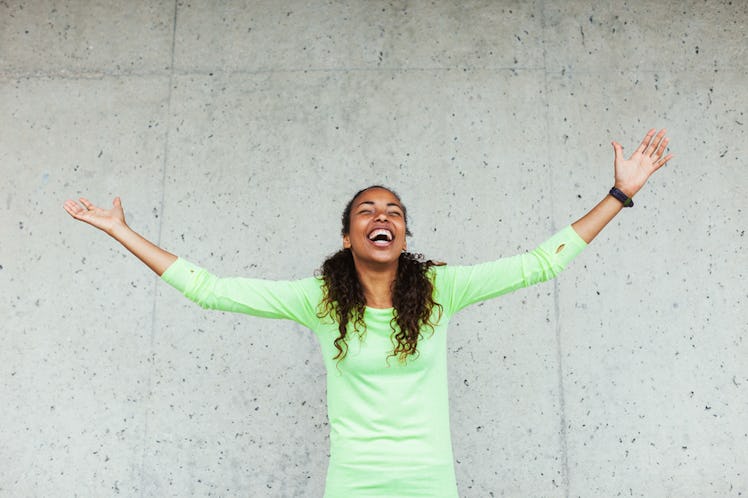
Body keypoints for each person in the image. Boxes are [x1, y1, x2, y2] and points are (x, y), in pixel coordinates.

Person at [63, 129, 672, 497]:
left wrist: (620, 194)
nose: (382, 216)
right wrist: (122, 230)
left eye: (394, 212)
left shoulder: (442, 290)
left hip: (430, 482)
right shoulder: (319, 301)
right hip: (354, 483)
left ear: (403, 235)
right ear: (348, 235)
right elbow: (210, 290)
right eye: (367, 211)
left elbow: (539, 263)